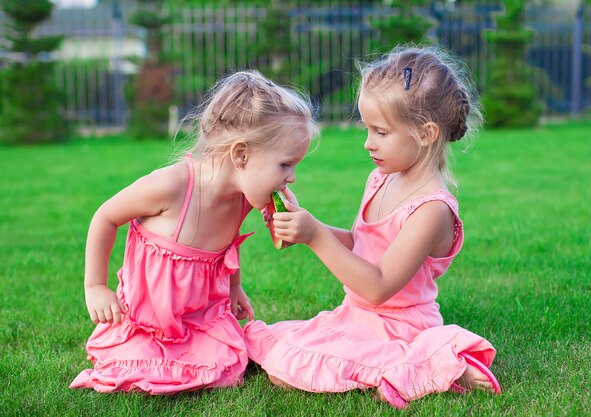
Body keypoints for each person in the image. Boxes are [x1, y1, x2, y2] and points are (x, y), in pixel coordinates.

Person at [244, 46, 501, 408]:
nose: (368, 143)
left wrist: (316, 237)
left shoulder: (431, 210)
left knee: (289, 371)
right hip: (357, 315)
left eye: (380, 132)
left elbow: (378, 286)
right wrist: (306, 227)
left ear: (425, 134)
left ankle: (440, 363)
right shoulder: (382, 178)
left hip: (400, 327)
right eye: (367, 129)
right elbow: (359, 244)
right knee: (276, 357)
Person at [70, 70, 318, 394]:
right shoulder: (171, 186)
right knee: (137, 371)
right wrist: (95, 286)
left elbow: (229, 245)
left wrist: (235, 287)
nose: (293, 177)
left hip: (199, 316)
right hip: (149, 321)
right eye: (285, 165)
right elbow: (105, 217)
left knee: (228, 364)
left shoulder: (243, 200)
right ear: (241, 154)